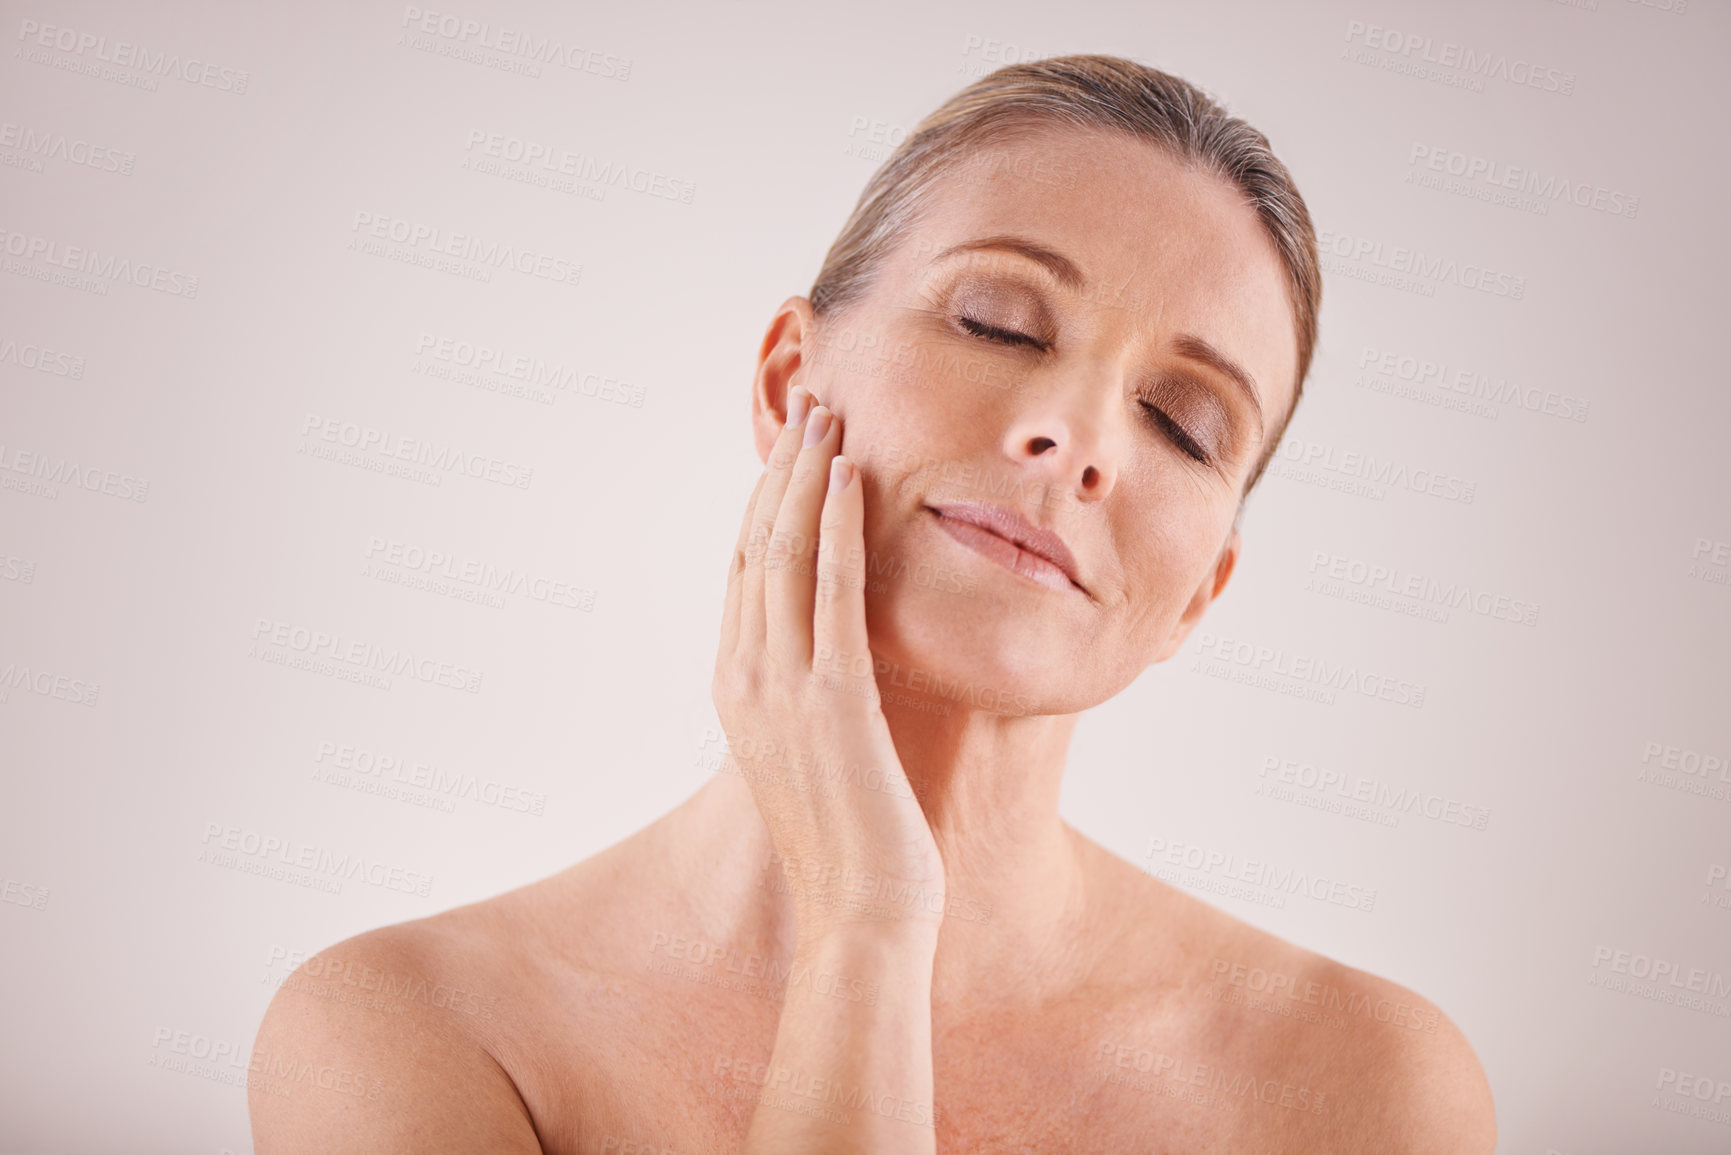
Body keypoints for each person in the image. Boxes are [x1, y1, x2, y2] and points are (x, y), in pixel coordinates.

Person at [249, 55, 1495, 1153]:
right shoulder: (413, 1038)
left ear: (1197, 596)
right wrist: (865, 925)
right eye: (999, 323)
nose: (1076, 438)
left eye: (1183, 423)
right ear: (794, 381)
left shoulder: (1361, 1090)